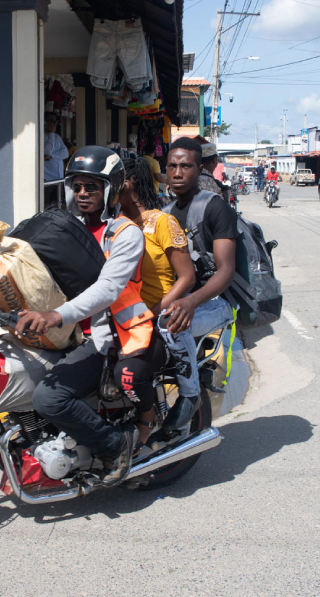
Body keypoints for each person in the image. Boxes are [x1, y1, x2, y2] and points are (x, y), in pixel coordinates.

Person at [19, 146, 167, 485]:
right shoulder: (65, 229)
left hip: (108, 337)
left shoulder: (125, 233)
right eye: (78, 187)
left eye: (93, 187)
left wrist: (56, 315)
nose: (83, 194)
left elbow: (108, 289)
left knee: (49, 397)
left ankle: (114, 446)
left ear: (111, 189)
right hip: (66, 334)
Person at [118, 156, 198, 451]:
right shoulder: (117, 224)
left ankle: (145, 428)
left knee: (130, 373)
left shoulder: (163, 222)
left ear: (130, 183)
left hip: (156, 320)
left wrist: (153, 312)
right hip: (126, 319)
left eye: (114, 179)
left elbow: (187, 277)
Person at [160, 136, 239, 429]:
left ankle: (190, 395)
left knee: (172, 323)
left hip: (217, 301)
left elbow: (225, 271)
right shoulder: (165, 214)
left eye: (186, 166)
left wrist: (192, 301)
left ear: (199, 169)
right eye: (172, 166)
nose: (178, 172)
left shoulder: (215, 207)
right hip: (183, 297)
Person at [43, 112, 69, 205]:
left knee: (58, 206)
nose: (54, 124)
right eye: (52, 121)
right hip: (47, 179)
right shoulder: (41, 136)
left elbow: (65, 153)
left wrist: (52, 156)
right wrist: (50, 135)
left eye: (55, 122)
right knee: (46, 206)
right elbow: (47, 152)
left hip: (59, 179)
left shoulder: (57, 137)